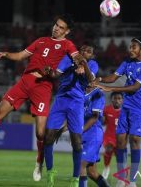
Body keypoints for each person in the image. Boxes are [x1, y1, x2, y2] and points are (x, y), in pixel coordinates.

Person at [0, 14, 78, 182]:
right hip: (25, 81)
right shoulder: (41, 40)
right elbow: (21, 55)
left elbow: (77, 57)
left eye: (61, 27)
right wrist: (6, 54)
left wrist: (80, 64)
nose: (56, 28)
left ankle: (39, 162)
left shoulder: (67, 44)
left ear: (67, 31)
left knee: (40, 133)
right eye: (56, 25)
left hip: (43, 87)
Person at [94, 37, 141, 187]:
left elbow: (134, 87)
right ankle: (122, 179)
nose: (130, 49)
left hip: (139, 109)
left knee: (135, 141)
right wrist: (99, 80)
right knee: (120, 141)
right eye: (130, 46)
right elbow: (113, 77)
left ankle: (132, 181)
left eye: (134, 47)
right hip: (126, 108)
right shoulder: (127, 62)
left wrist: (112, 89)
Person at [43, 44, 98, 187]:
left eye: (88, 51)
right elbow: (56, 74)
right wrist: (50, 71)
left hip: (76, 103)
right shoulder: (67, 59)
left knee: (76, 142)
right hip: (61, 100)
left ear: (91, 56)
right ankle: (50, 171)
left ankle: (75, 178)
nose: (85, 52)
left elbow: (90, 79)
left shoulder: (92, 64)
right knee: (48, 136)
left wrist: (84, 65)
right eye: (83, 50)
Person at [79, 87, 110, 187]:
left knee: (81, 165)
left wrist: (80, 131)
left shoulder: (98, 95)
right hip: (85, 135)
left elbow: (94, 117)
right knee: (92, 173)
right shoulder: (80, 93)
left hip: (93, 134)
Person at [102, 92, 123, 180]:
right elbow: (103, 121)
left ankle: (121, 175)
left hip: (120, 137)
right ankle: (106, 168)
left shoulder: (124, 112)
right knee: (108, 148)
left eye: (119, 98)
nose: (117, 100)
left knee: (120, 157)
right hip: (109, 136)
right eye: (115, 98)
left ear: (122, 100)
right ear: (112, 99)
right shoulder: (106, 109)